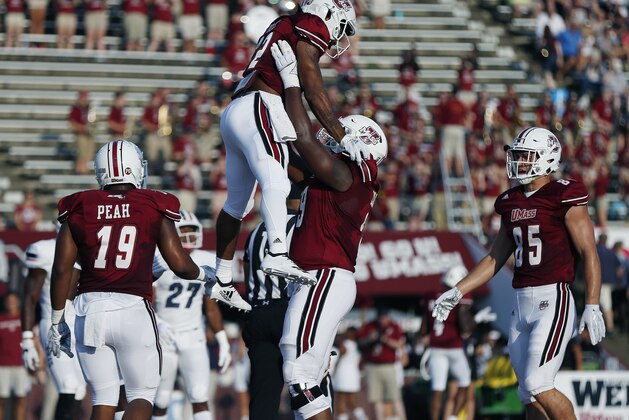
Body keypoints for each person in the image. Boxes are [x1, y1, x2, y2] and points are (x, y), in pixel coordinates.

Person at [432, 127, 606, 420]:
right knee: (526, 392)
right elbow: (495, 257)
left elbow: (589, 251)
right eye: (518, 156)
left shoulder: (564, 193)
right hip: (520, 301)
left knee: (539, 384)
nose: (519, 162)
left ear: (547, 158)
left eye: (526, 156)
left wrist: (592, 303)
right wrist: (459, 289)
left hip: (553, 298)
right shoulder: (511, 201)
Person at [210, 0, 368, 311]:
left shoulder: (286, 23)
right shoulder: (312, 23)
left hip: (238, 109)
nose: (338, 38)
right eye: (342, 27)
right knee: (276, 182)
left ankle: (223, 279)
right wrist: (343, 135)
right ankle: (278, 254)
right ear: (330, 13)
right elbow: (314, 89)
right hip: (260, 104)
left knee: (237, 204)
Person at [46, 140, 218, 420]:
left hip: (89, 310)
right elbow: (179, 262)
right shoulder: (152, 202)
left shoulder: (78, 205)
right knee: (142, 395)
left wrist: (56, 320)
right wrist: (204, 275)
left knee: (103, 398)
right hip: (132, 308)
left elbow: (62, 269)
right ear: (136, 168)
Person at [270, 39, 388, 420]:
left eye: (340, 133)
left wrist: (292, 83)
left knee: (298, 371)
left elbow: (304, 138)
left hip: (323, 275)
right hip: (319, 276)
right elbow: (287, 159)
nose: (331, 134)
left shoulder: (347, 176)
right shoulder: (340, 177)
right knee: (311, 375)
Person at [152, 210, 231, 420]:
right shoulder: (159, 260)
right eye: (184, 231)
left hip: (193, 334)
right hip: (164, 336)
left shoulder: (204, 259)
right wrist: (157, 324)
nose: (189, 236)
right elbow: (145, 301)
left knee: (199, 394)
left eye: (192, 230)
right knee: (160, 398)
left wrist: (222, 339)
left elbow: (211, 305)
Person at [241, 185, 301, 419]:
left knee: (263, 397)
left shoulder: (256, 230)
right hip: (287, 311)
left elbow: (247, 275)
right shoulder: (300, 225)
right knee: (308, 384)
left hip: (258, 311)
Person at [21, 235, 86, 420]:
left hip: (83, 325)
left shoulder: (95, 247)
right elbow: (30, 297)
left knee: (81, 389)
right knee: (69, 384)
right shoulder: (45, 250)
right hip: (55, 324)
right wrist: (27, 339)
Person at [423, 266, 474, 420]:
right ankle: (453, 417)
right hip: (454, 347)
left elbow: (424, 325)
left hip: (436, 348)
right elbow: (465, 328)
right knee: (465, 384)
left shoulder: (430, 296)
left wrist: (425, 336)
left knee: (437, 390)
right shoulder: (458, 298)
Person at [356, 308, 406, 420]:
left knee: (395, 397)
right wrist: (370, 339)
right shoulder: (370, 326)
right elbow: (360, 343)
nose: (383, 320)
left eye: (385, 317)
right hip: (372, 366)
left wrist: (384, 339)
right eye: (381, 318)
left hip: (388, 366)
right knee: (376, 398)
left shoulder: (394, 326)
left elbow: (399, 344)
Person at [0, 293, 29, 420]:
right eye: (8, 300)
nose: (10, 303)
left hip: (21, 365)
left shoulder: (25, 318)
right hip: (2, 365)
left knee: (21, 398)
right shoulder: (1, 319)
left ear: (18, 302)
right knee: (1, 399)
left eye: (13, 300)